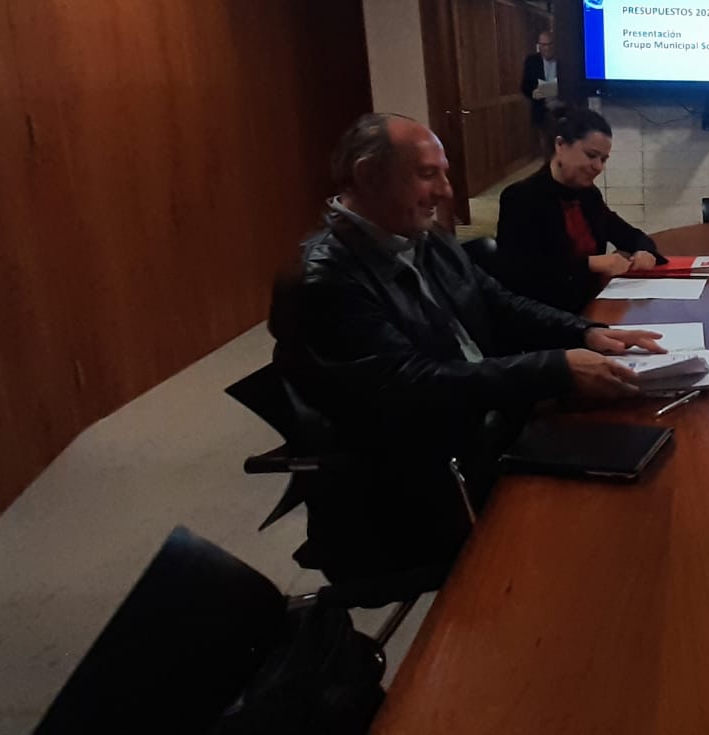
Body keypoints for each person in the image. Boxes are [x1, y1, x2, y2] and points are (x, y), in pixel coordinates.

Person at [270, 112, 663, 574]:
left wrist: (585, 332)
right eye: (426, 174)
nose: (446, 191)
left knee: (645, 451)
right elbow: (409, 384)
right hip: (422, 476)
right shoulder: (324, 280)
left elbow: (499, 301)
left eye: (444, 174)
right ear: (367, 176)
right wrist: (552, 369)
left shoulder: (421, 238)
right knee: (604, 543)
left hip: (487, 420)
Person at [494, 107, 664, 312]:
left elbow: (628, 234)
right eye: (591, 155)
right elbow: (523, 276)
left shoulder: (588, 194)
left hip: (591, 302)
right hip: (549, 314)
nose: (598, 167)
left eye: (603, 159)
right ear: (560, 145)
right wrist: (590, 264)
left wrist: (644, 250)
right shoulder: (521, 197)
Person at [520, 30, 559, 132]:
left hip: (563, 112)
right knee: (544, 145)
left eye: (550, 44)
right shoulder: (532, 61)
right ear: (539, 46)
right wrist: (551, 89)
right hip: (542, 113)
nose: (547, 48)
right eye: (543, 45)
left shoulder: (564, 59)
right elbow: (525, 88)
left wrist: (548, 89)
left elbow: (569, 85)